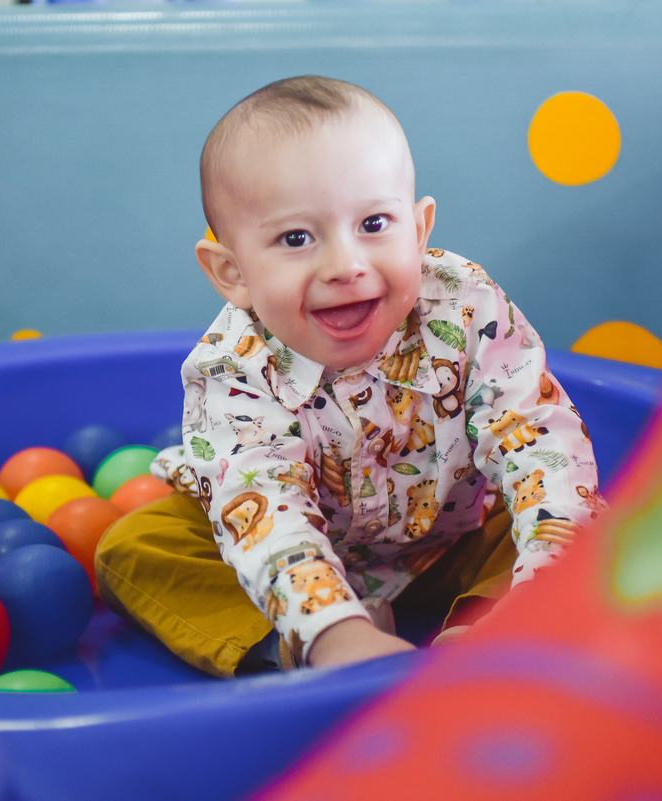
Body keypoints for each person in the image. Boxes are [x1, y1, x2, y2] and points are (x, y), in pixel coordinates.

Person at [95, 75, 603, 677]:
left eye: (374, 224)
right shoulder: (231, 369)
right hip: (282, 559)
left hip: (449, 534)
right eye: (296, 238)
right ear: (233, 273)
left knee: (585, 521)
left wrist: (544, 582)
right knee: (132, 549)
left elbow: (535, 435)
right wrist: (331, 628)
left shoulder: (464, 306)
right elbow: (265, 511)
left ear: (418, 230)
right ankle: (300, 646)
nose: (345, 264)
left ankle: (489, 630)